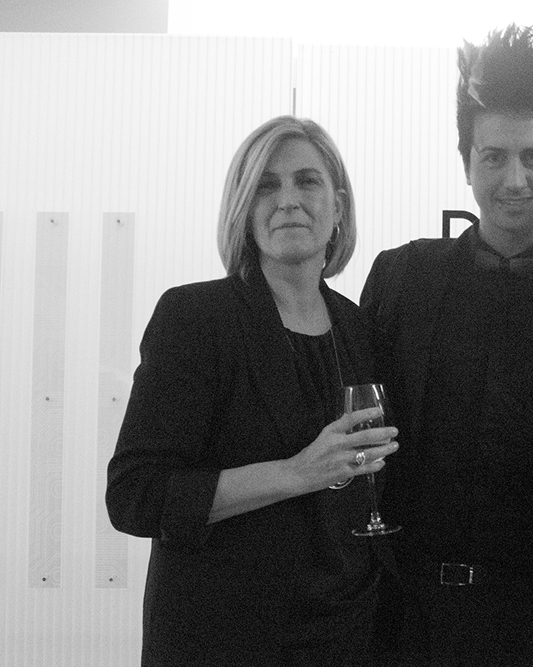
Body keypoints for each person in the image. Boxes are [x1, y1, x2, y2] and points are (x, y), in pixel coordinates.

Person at [360, 24, 533, 666]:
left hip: (523, 613)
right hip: (395, 600)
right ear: (466, 163)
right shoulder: (402, 277)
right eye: (494, 157)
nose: (515, 179)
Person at [106, 116, 399, 666]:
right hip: (225, 639)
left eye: (307, 181)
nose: (288, 200)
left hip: (347, 636)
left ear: (338, 206)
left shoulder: (359, 329)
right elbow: (135, 497)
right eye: (267, 186)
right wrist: (297, 473)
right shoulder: (195, 318)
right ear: (244, 208)